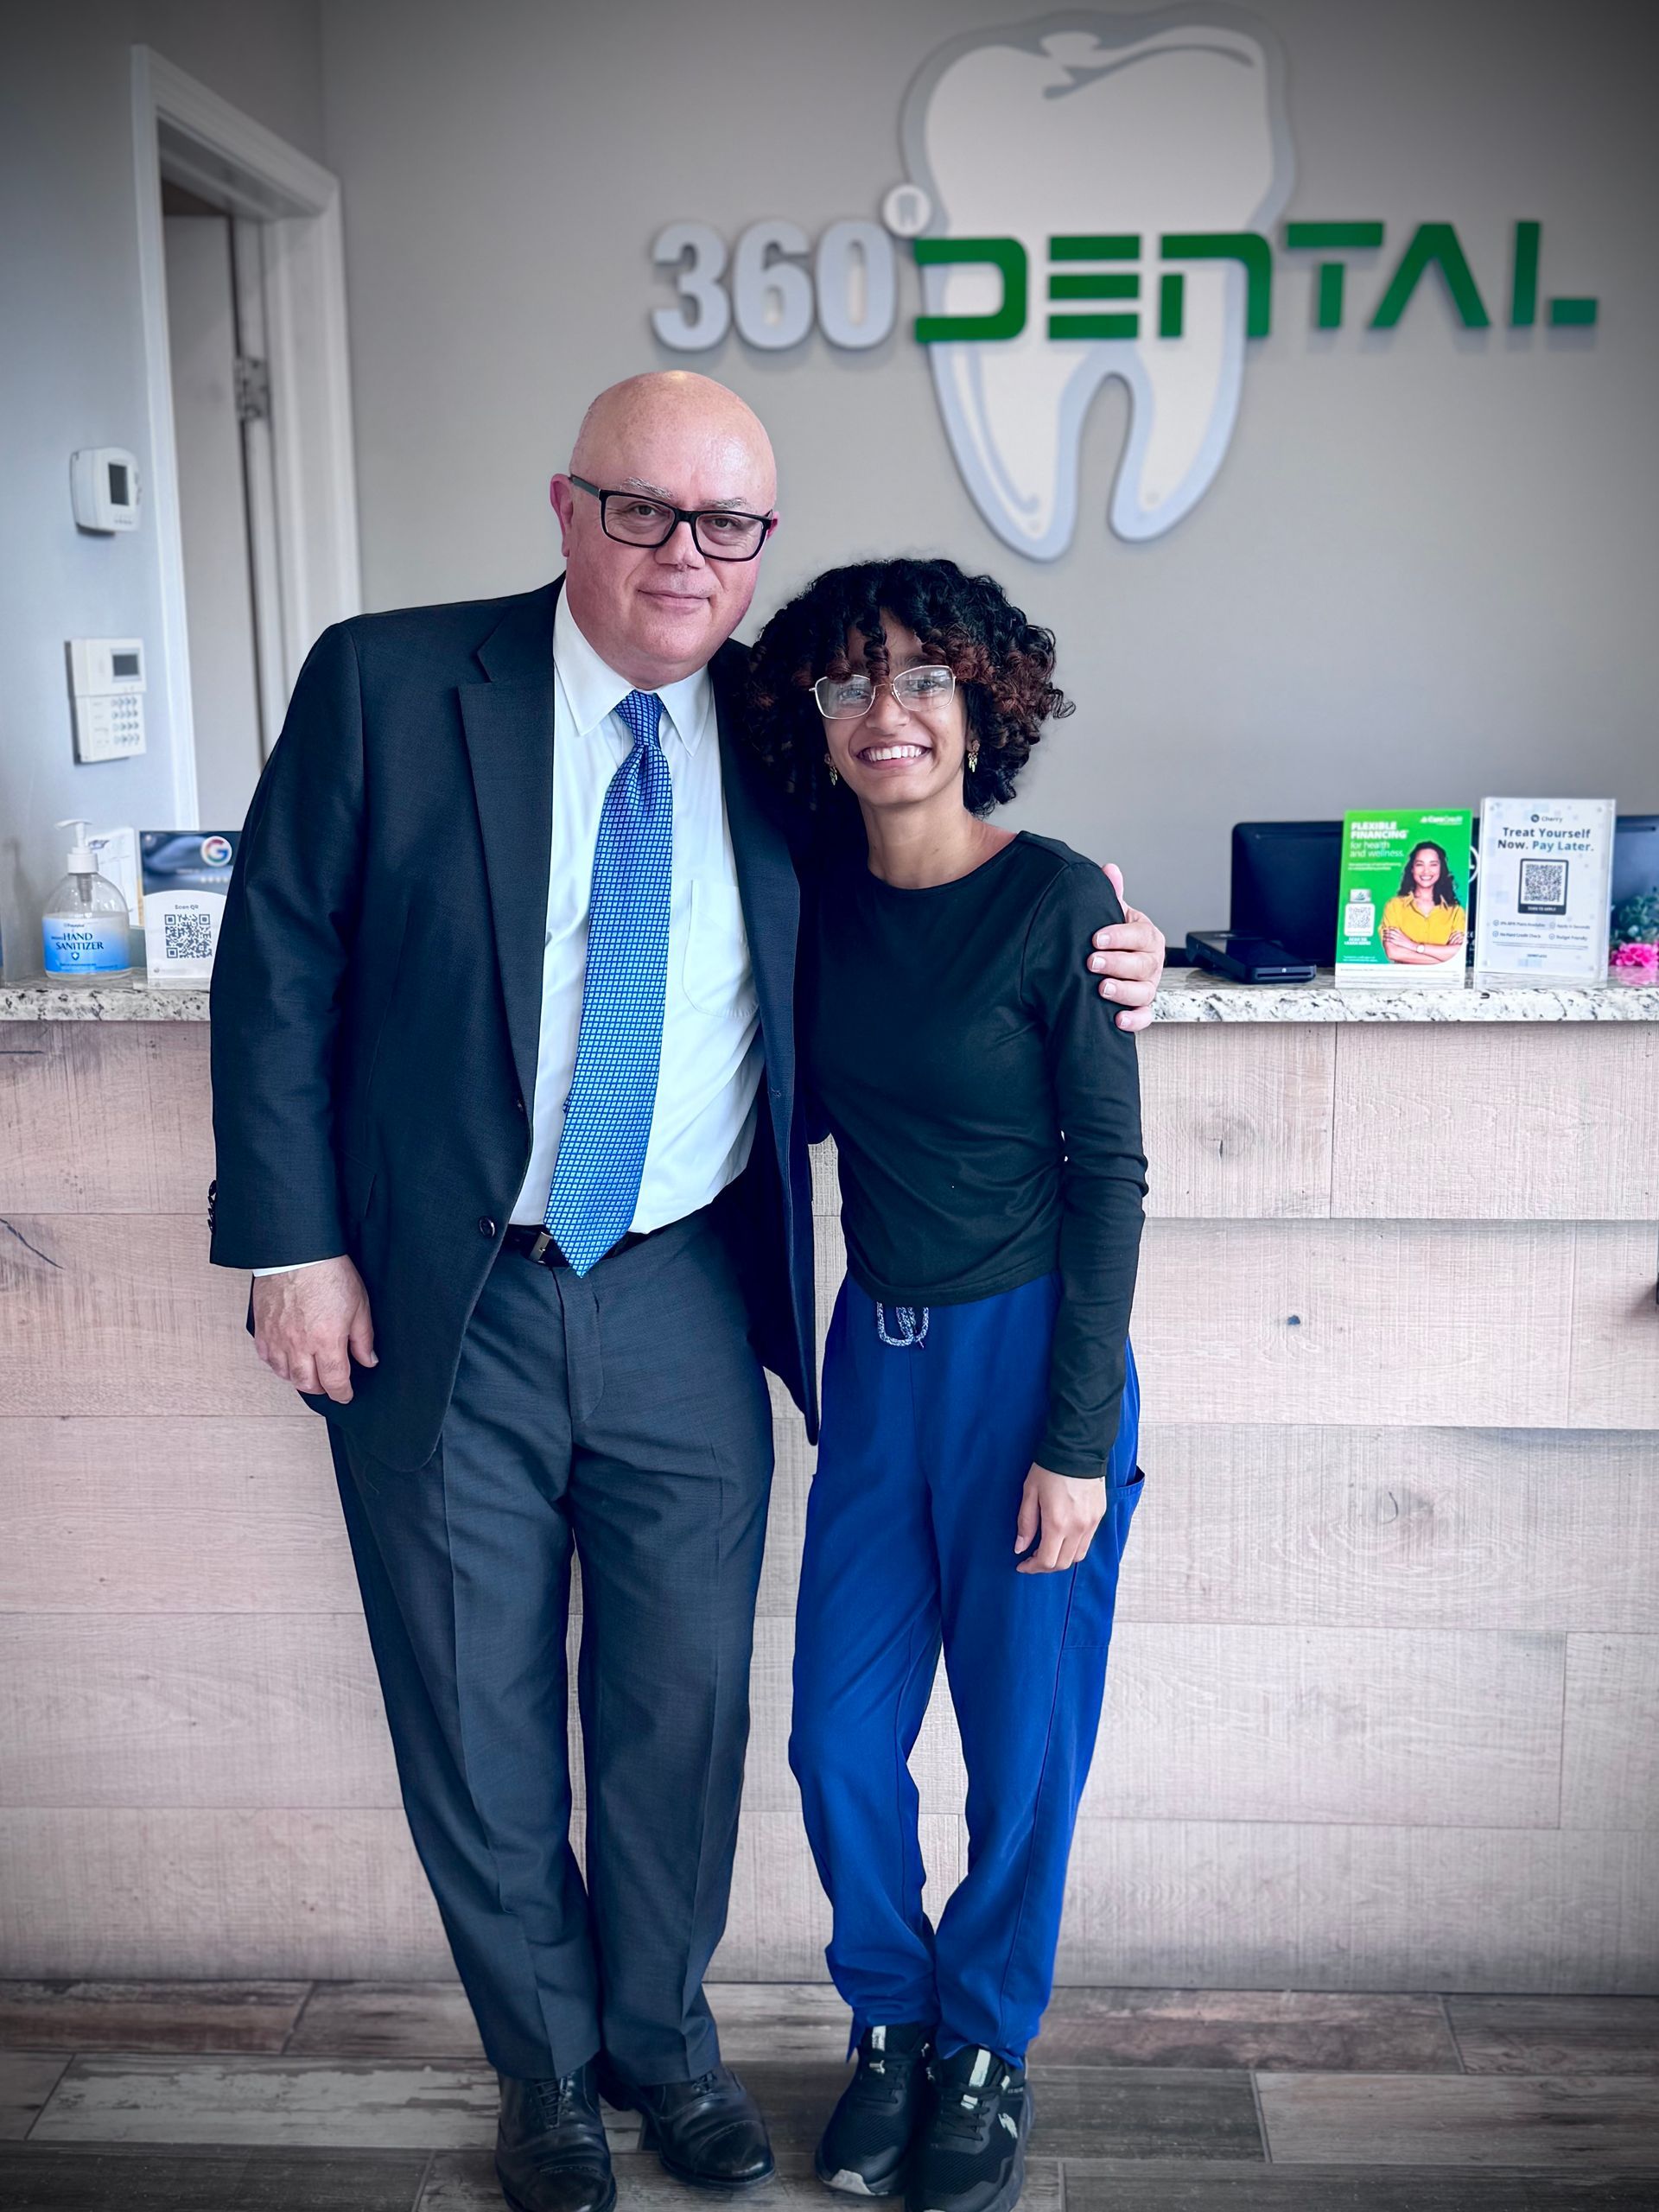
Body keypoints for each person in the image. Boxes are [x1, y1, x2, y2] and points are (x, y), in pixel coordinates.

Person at [207, 372, 1166, 2212]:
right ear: (565, 507)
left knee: (683, 1708)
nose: (686, 555)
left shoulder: (790, 738)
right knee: (473, 1705)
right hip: (437, 1285)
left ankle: (668, 2037)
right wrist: (289, 1238)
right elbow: (281, 961)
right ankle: (549, 2073)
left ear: (760, 551)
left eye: (728, 524)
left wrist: (1102, 925)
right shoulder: (391, 682)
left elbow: (942, 876)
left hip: (684, 1292)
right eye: (646, 510)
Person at [745, 558, 1147, 2212]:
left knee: (1022, 1750)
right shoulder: (802, 896)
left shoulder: (1059, 902)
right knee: (836, 1745)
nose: (885, 713)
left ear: (989, 701)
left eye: (920, 678)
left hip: (1033, 1364)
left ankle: (985, 2047)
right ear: (814, 721)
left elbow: (1109, 1180)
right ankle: (891, 2025)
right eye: (847, 683)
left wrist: (1071, 1443)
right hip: (877, 1360)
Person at [1380, 840, 1466, 965]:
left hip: (1443, 982)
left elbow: (1458, 953)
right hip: (1404, 981)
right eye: (1420, 864)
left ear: (1441, 869)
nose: (1426, 871)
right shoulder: (1394, 906)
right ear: (1412, 869)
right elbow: (1393, 952)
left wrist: (1413, 945)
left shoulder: (1456, 911)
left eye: (1433, 864)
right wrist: (1443, 956)